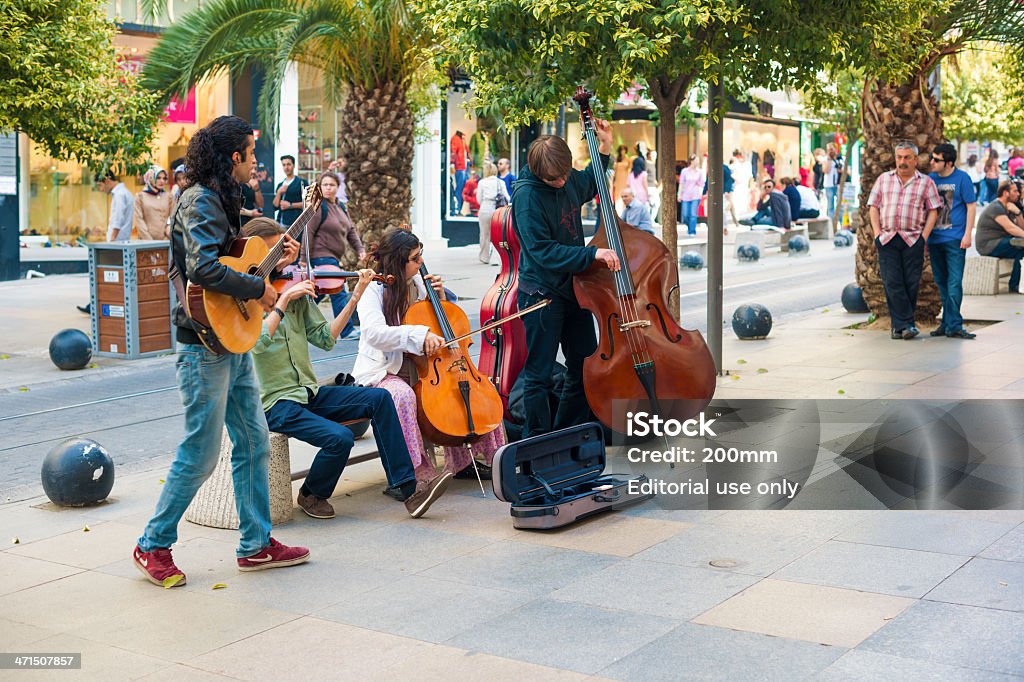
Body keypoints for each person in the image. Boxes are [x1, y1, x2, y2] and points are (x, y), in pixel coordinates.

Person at [133, 115, 308, 588]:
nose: (257, 164)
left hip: (230, 339)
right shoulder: (199, 200)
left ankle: (256, 544)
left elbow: (233, 256)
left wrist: (271, 263)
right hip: (202, 347)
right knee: (201, 452)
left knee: (253, 441)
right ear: (235, 157)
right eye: (252, 155)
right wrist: (262, 290)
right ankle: (152, 543)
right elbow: (204, 269)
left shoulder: (223, 199)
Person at [244, 218, 451, 519]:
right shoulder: (245, 300)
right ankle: (312, 494)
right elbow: (258, 344)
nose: (281, 256)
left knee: (380, 399)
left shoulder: (292, 290)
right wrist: (283, 301)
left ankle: (410, 490)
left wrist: (355, 296)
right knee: (339, 439)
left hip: (307, 393)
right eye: (274, 250)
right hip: (275, 403)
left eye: (283, 248)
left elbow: (326, 339)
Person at [353, 229, 507, 480]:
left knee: (473, 386)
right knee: (403, 396)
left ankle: (468, 461)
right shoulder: (373, 291)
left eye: (420, 255)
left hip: (427, 369)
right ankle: (412, 473)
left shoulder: (419, 286)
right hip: (386, 370)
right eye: (415, 258)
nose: (421, 262)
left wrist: (441, 299)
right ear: (398, 261)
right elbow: (374, 333)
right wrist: (418, 335)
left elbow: (443, 328)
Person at [512, 121, 621, 438]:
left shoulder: (565, 175)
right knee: (539, 374)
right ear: (538, 173)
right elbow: (542, 251)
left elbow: (590, 183)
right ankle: (537, 443)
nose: (562, 182)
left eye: (564, 175)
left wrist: (604, 148)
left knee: (584, 363)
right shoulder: (527, 197)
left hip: (574, 288)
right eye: (554, 179)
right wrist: (592, 255)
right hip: (541, 293)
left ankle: (567, 434)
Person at [867, 141, 942, 341]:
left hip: (912, 239)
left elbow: (933, 210)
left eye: (907, 157)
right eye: (899, 157)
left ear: (915, 159)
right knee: (892, 282)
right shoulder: (884, 179)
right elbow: (873, 206)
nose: (902, 161)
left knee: (910, 283)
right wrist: (876, 234)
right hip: (888, 238)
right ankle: (906, 324)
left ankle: (898, 327)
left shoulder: (925, 182)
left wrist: (923, 237)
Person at [307, 170, 366, 339]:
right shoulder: (319, 207)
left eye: (331, 185)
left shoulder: (339, 206)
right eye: (324, 185)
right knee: (338, 289)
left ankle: (295, 316)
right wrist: (305, 261)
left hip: (333, 257)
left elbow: (351, 230)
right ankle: (346, 331)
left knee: (320, 292)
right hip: (321, 256)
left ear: (337, 187)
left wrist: (360, 249)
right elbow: (309, 231)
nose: (328, 188)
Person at [927, 143, 978, 339]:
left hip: (955, 238)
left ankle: (954, 324)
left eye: (936, 160)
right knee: (941, 282)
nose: (932, 162)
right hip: (934, 239)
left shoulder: (962, 178)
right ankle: (948, 323)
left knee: (954, 282)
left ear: (948, 163)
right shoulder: (931, 179)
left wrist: (967, 234)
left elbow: (971, 206)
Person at [77, 170, 135, 314]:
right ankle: (95, 305)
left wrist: (112, 241)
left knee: (107, 276)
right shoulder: (123, 193)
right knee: (110, 276)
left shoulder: (120, 195)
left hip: (117, 242)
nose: (101, 190)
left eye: (101, 186)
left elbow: (117, 220)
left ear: (107, 180)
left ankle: (96, 305)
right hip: (120, 241)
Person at [975, 181, 1024, 294]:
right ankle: (1015, 285)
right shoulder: (996, 207)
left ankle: (1015, 285)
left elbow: (1021, 228)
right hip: (988, 245)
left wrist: (1018, 213)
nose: (1018, 194)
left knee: (1020, 253)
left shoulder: (1009, 208)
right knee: (1020, 248)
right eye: (1015, 191)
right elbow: (1011, 228)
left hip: (1000, 242)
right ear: (1006, 193)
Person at [476, 161, 511, 263]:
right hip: (498, 211)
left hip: (485, 208)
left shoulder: (482, 182)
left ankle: (484, 257)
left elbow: (478, 199)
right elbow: (507, 198)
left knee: (484, 234)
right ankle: (497, 259)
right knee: (497, 234)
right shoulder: (501, 182)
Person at [134, 165, 173, 240]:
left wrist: (168, 229)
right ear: (151, 177)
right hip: (146, 243)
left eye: (164, 178)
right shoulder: (140, 197)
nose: (162, 181)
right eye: (158, 178)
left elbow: (172, 217)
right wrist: (149, 241)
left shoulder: (169, 197)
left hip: (165, 241)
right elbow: (139, 220)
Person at [272, 155, 307, 227]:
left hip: (296, 223)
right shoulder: (280, 185)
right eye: (284, 165)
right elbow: (275, 206)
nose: (286, 167)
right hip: (280, 223)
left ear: (294, 166)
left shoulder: (301, 183)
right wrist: (279, 192)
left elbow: (307, 203)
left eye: (288, 164)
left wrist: (290, 205)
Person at [677, 155, 705, 236]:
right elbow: (681, 183)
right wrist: (679, 194)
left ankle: (692, 231)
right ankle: (690, 225)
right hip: (685, 195)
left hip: (695, 195)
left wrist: (699, 182)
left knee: (693, 214)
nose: (697, 162)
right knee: (685, 215)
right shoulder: (684, 171)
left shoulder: (699, 172)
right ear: (692, 161)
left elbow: (702, 184)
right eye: (696, 160)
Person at [450, 130, 468, 215]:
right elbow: (453, 152)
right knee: (459, 189)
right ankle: (456, 209)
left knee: (462, 189)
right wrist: (452, 164)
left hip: (463, 167)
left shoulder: (461, 139)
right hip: (459, 167)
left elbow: (465, 152)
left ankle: (459, 209)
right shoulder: (456, 139)